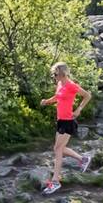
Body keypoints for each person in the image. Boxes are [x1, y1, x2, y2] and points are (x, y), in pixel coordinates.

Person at [39, 62, 92, 195]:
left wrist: (79, 109)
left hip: (68, 121)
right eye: (53, 74)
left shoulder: (71, 85)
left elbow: (87, 96)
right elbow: (57, 97)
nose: (54, 76)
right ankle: (83, 159)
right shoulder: (60, 84)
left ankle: (55, 182)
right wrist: (47, 101)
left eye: (55, 74)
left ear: (62, 73)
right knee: (59, 148)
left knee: (57, 149)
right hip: (60, 121)